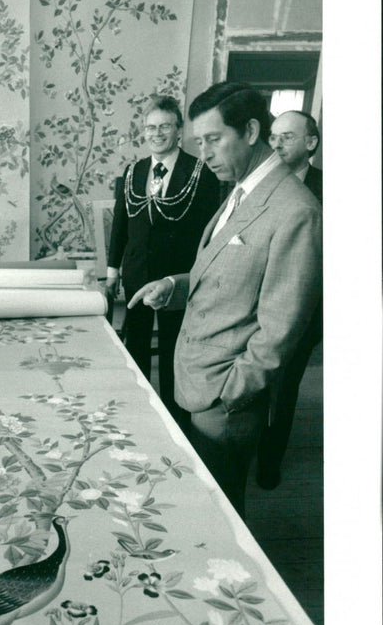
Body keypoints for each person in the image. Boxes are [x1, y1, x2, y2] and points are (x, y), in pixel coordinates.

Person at [127, 83, 322, 518]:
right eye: (200, 142)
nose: (206, 152)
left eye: (214, 139)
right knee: (202, 503)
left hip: (225, 402)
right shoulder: (240, 190)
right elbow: (223, 272)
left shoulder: (296, 210)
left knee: (219, 516)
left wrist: (229, 396)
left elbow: (281, 330)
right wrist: (175, 287)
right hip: (197, 382)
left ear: (251, 130)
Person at [105, 95, 220, 427]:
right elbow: (121, 225)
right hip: (137, 274)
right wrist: (114, 271)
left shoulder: (201, 174)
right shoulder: (133, 171)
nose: (157, 133)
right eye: (151, 127)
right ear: (144, 132)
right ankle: (141, 410)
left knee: (174, 349)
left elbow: (208, 234)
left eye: (165, 126)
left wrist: (197, 278)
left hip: (177, 278)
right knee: (136, 343)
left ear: (179, 130)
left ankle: (175, 420)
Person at [255, 110, 323, 488]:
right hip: (258, 307)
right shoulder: (262, 186)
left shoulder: (327, 191)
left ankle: (269, 463)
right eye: (274, 136)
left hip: (302, 314)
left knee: (283, 391)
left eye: (287, 137)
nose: (276, 144)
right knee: (256, 384)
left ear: (310, 143)